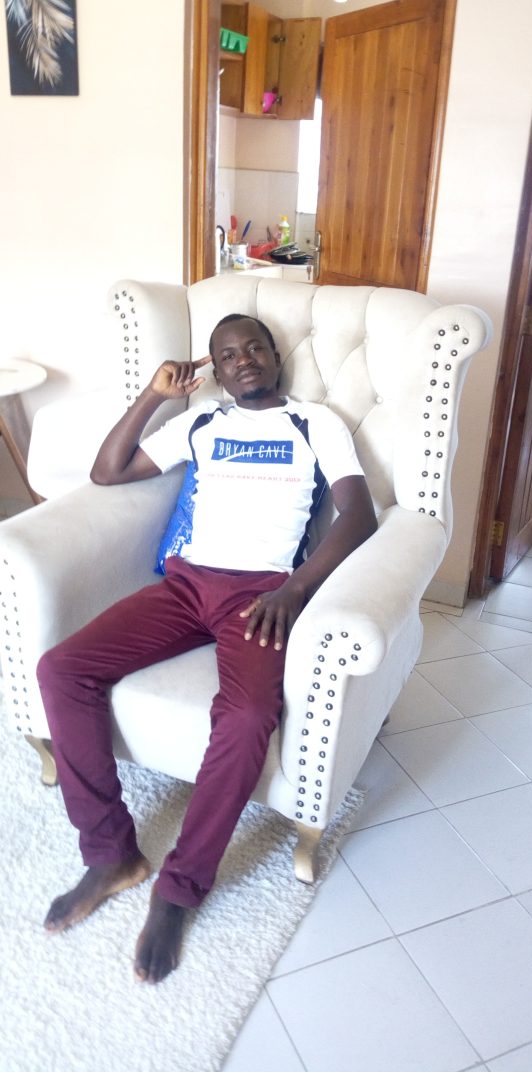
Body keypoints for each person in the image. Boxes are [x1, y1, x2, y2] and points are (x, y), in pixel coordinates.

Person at [37, 313, 377, 984]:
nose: (242, 359)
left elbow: (359, 515)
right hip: (187, 585)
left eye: (254, 347)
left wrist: (295, 589)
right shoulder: (201, 424)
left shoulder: (314, 423)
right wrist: (154, 395)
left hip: (262, 594)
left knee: (248, 718)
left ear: (274, 356)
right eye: (227, 354)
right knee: (62, 669)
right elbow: (108, 473)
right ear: (214, 370)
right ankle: (110, 854)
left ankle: (180, 888)